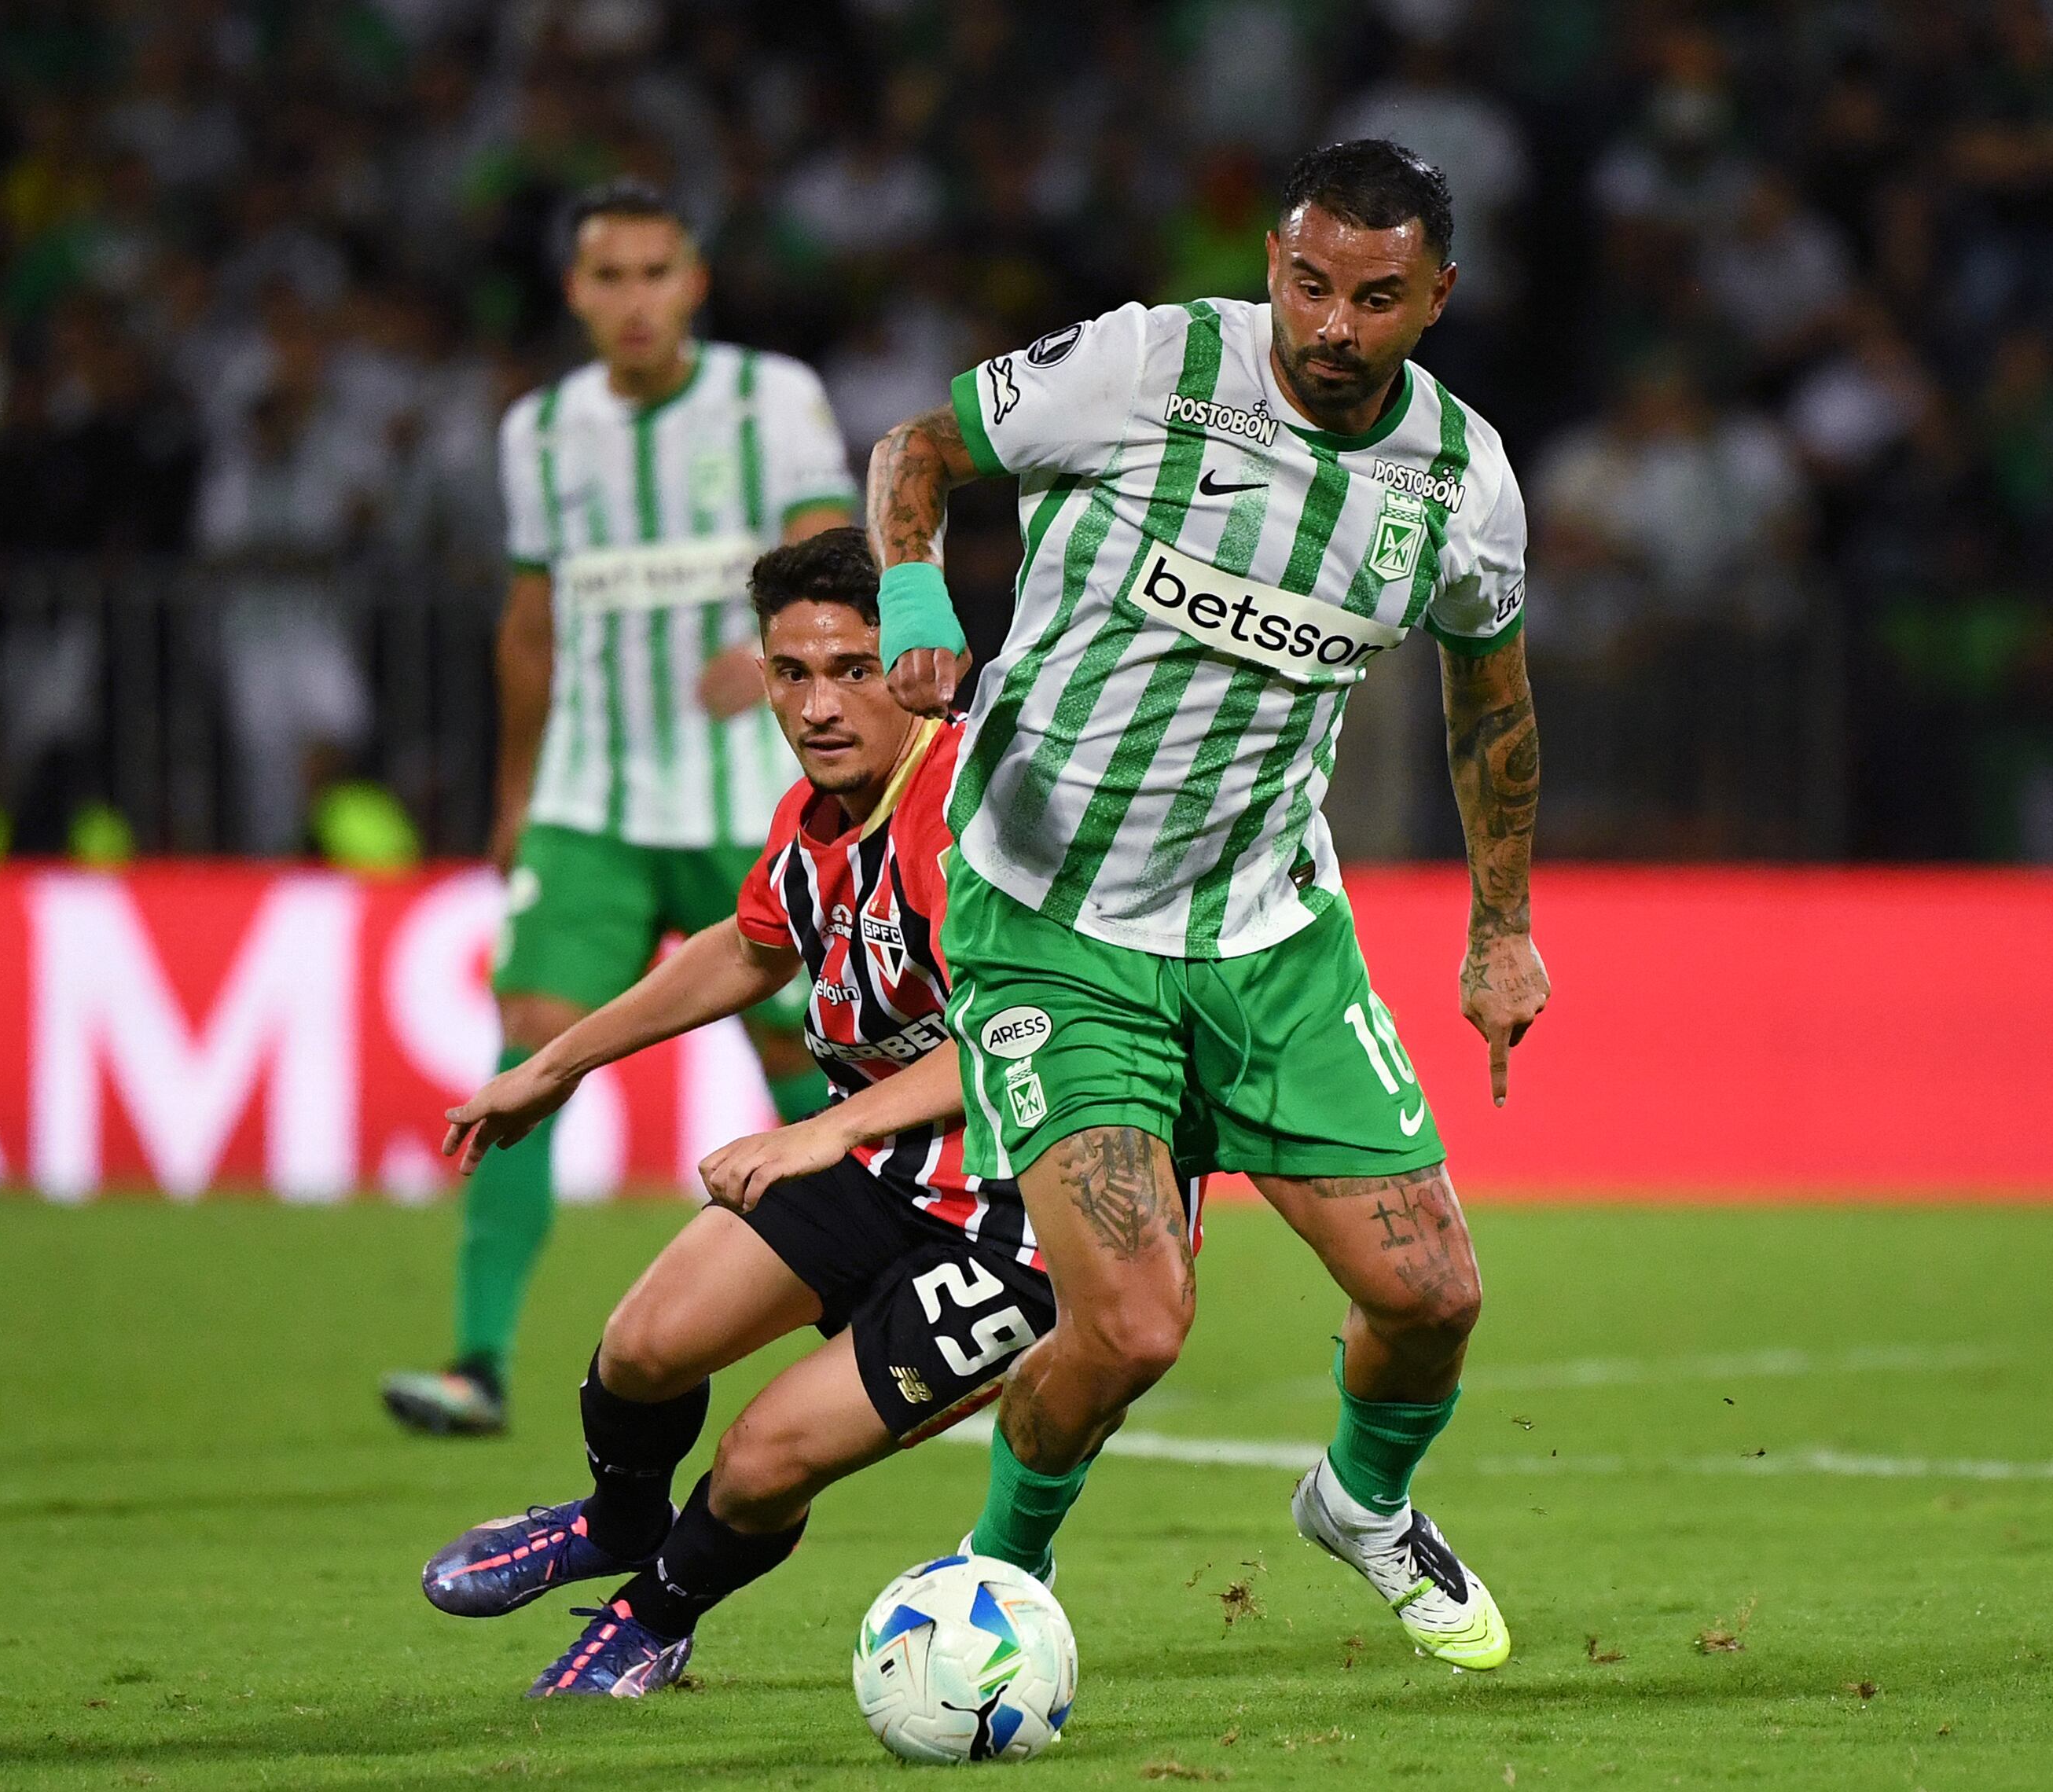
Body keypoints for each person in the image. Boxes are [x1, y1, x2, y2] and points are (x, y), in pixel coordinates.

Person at [863, 140, 1548, 1670]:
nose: (1332, 326)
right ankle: (990, 1586)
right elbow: (918, 450)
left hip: (1268, 936)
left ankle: (1360, 1505)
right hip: (1056, 921)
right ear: (1271, 262)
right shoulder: (1147, 369)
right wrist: (916, 604)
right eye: (1307, 283)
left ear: (1437, 296)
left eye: (1376, 298)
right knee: (1129, 1329)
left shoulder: (1460, 478)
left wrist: (1499, 926)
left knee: (1432, 1294)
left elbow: (1488, 703)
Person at [419, 528, 1089, 1695]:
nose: (820, 705)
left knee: (765, 1457)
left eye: (855, 669)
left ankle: (654, 1611)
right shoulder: (818, 810)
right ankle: (622, 1520)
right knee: (642, 1348)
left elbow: (1022, 1027)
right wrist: (559, 1064)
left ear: (914, 668)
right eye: (793, 673)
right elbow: (750, 943)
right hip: (883, 1167)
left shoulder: (968, 814)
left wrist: (821, 1129)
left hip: (1019, 1218)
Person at [381, 179, 857, 1437]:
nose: (634, 299)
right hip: (589, 800)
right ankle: (478, 1362)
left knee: (811, 1053)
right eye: (610, 276)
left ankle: (881, 1298)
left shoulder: (774, 400)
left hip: (748, 799)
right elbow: (530, 627)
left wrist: (771, 648)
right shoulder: (539, 429)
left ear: (694, 282)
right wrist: (513, 791)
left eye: (657, 272)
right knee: (532, 1043)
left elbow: (831, 562)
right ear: (575, 292)